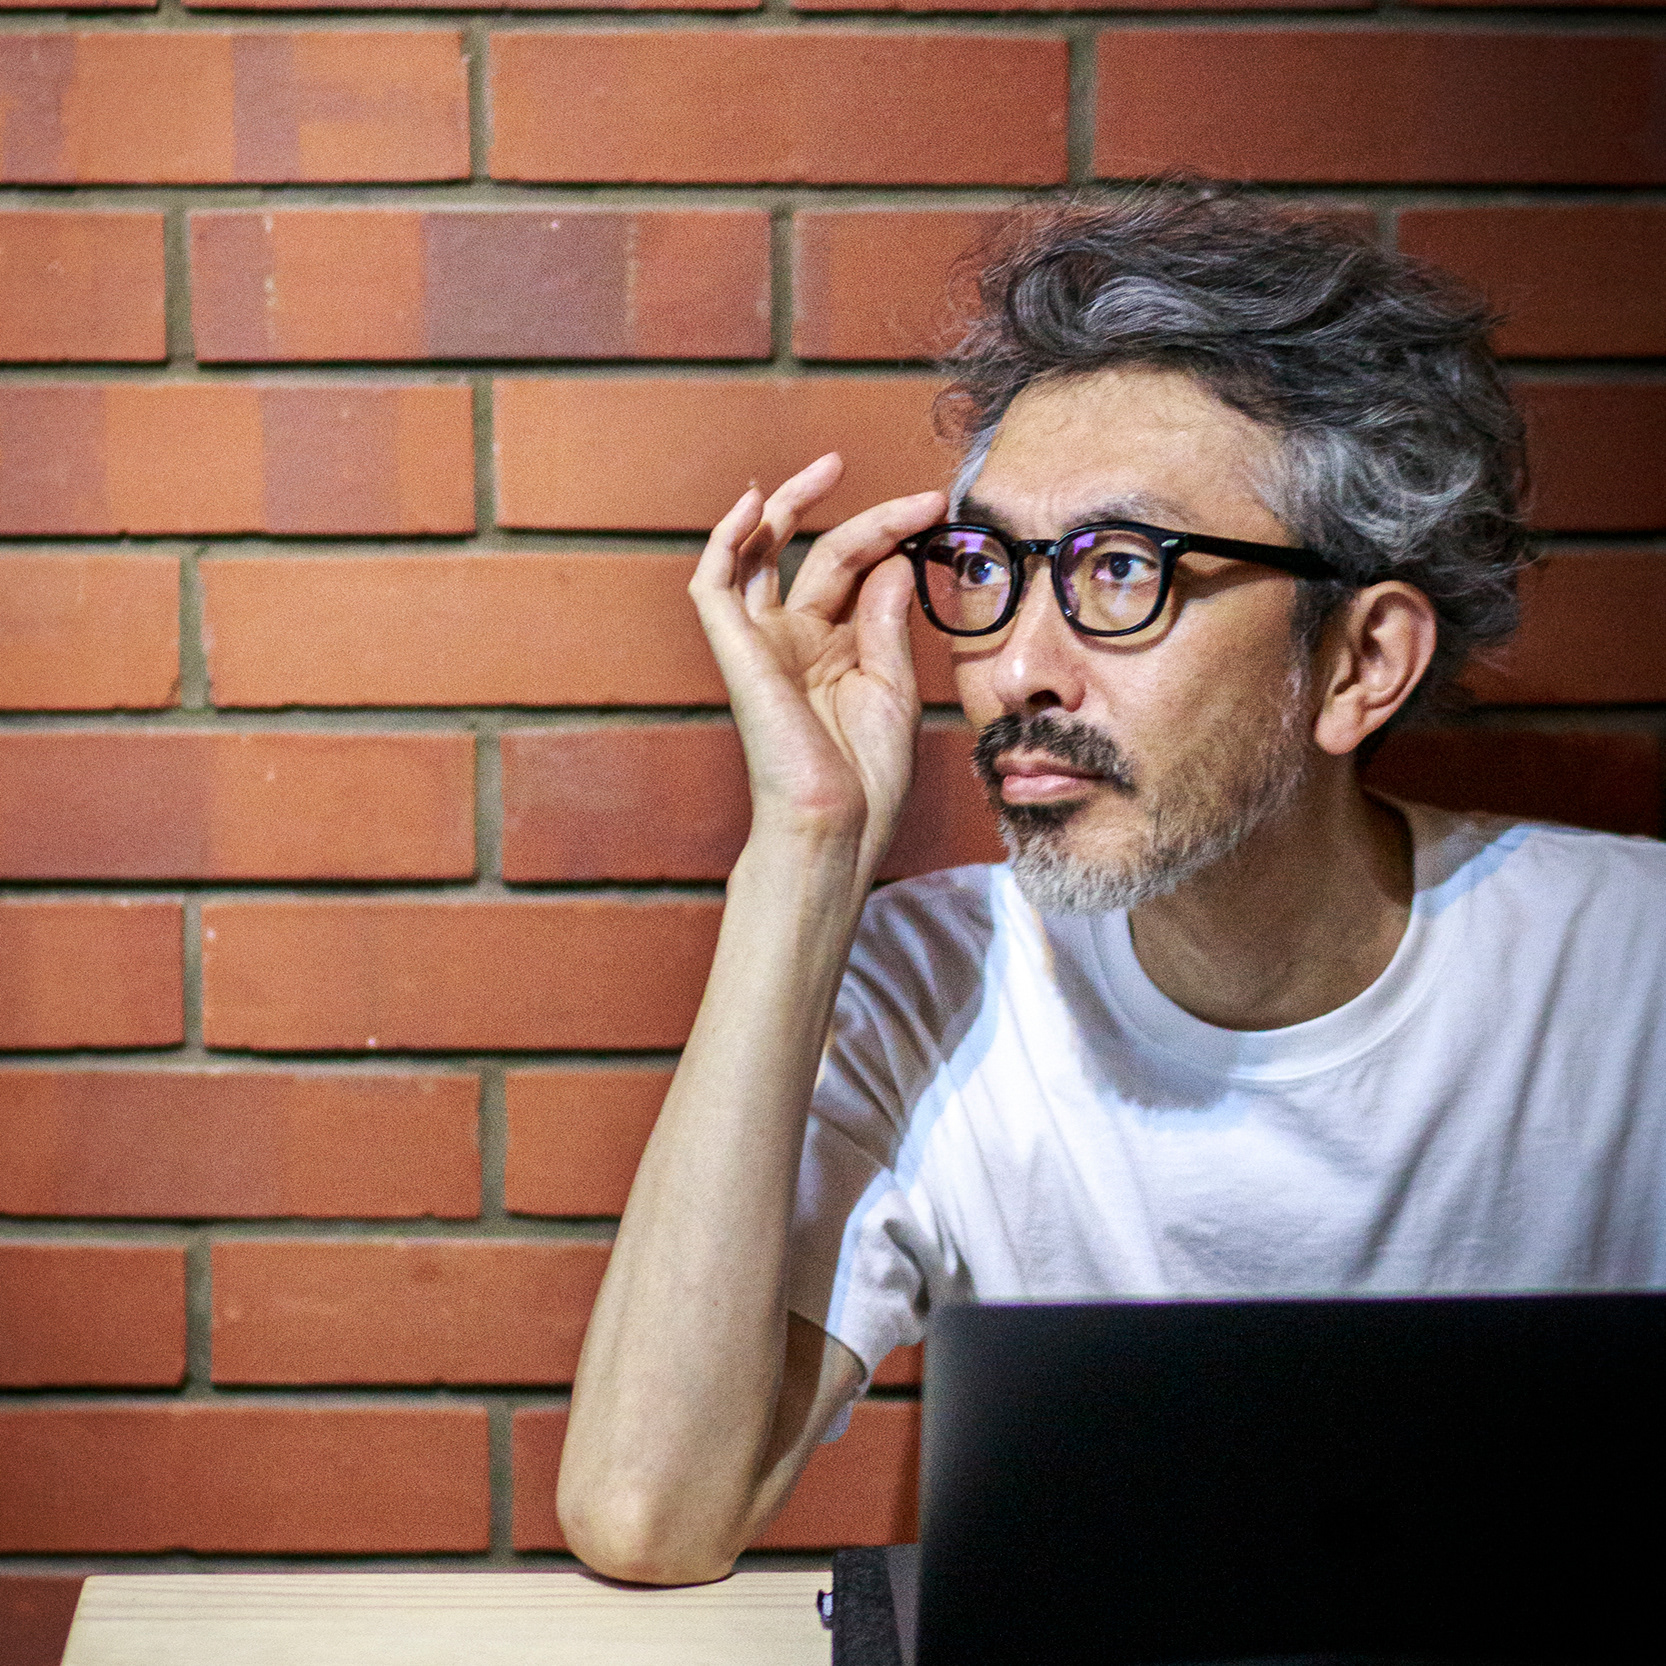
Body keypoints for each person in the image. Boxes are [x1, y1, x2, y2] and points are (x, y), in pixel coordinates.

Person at [555, 182, 1666, 1585]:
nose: (1017, 667)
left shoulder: (1631, 971)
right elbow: (647, 1511)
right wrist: (805, 848)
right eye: (991, 567)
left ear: (1357, 663)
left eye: (1122, 569)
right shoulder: (935, 982)